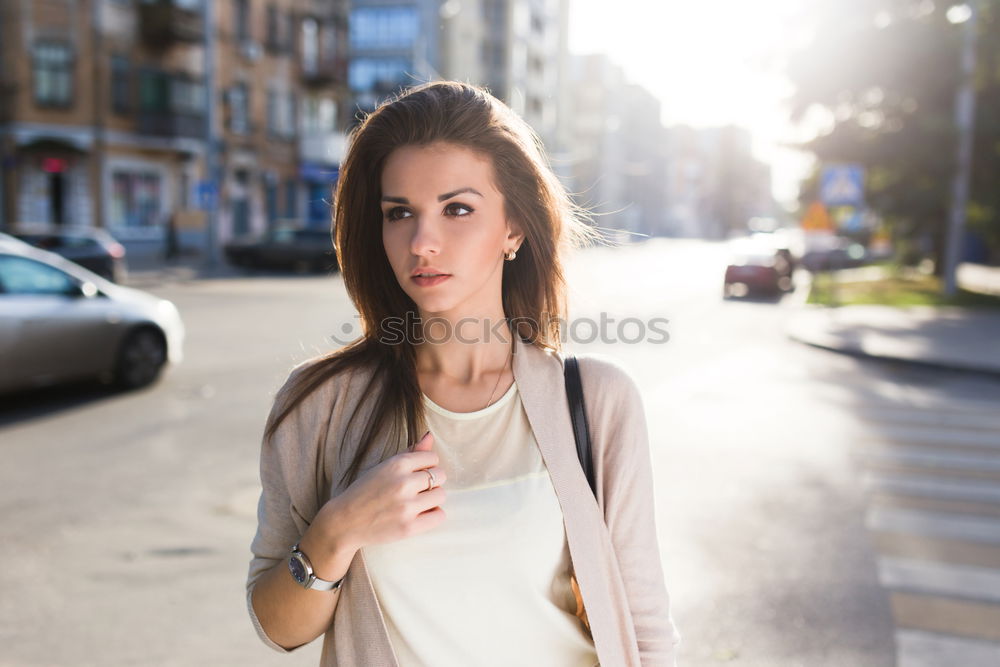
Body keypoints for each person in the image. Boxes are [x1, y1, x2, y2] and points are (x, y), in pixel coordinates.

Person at [246, 80, 682, 666]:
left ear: (513, 228)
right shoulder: (318, 404)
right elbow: (279, 629)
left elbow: (645, 629)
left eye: (457, 209)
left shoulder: (596, 400)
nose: (422, 242)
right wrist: (336, 531)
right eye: (399, 213)